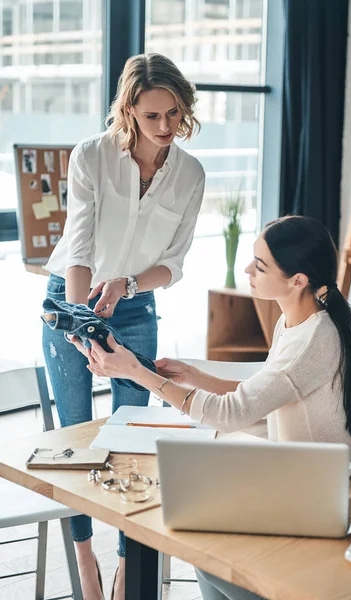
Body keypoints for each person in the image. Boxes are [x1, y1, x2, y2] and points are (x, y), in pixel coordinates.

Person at [72, 215, 351, 600]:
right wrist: (193, 376)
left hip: (347, 499)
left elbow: (232, 413)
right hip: (312, 484)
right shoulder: (296, 322)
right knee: (207, 552)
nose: (248, 269)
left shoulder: (315, 337)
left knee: (213, 555)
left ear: (297, 280)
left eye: (261, 265)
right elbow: (265, 395)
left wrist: (137, 373)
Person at [42, 53, 205, 600]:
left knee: (134, 436)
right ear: (129, 110)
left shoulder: (191, 174)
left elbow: (174, 263)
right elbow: (81, 244)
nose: (164, 127)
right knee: (75, 434)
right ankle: (83, 558)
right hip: (70, 298)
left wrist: (125, 286)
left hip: (134, 306)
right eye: (152, 115)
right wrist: (78, 316)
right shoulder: (91, 155)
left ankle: (125, 563)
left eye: (173, 114)